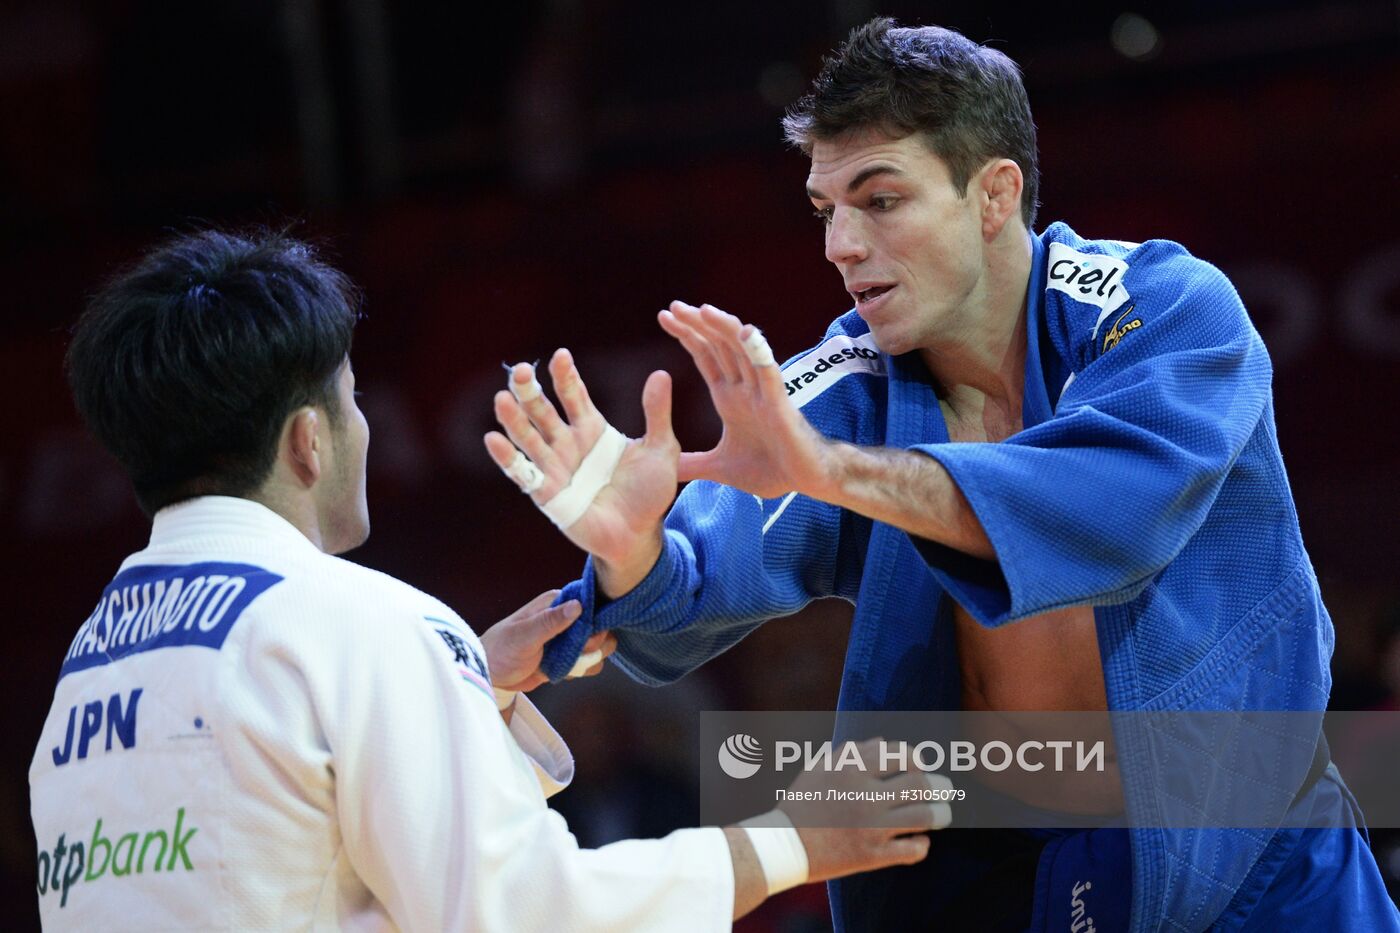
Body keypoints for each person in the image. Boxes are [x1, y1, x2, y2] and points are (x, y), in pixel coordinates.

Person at [485, 17, 1400, 932]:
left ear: (994, 195)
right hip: (1009, 868)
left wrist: (837, 473)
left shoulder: (1163, 309)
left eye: (879, 200)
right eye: (825, 210)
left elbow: (1108, 515)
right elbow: (699, 582)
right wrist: (633, 553)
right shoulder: (846, 388)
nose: (841, 244)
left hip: (1260, 859)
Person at [29, 228, 949, 931]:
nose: (364, 430)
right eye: (350, 402)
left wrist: (462, 678)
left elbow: (277, 841)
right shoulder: (359, 622)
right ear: (308, 440)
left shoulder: (91, 665)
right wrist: (797, 840)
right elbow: (522, 911)